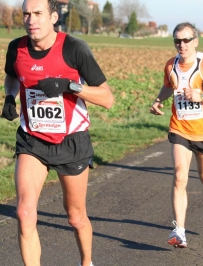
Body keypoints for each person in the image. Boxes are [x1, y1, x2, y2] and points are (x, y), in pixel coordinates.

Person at [1, 0, 114, 265]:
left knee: (75, 217)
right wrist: (9, 96)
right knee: (25, 212)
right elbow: (12, 76)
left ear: (54, 17)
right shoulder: (15, 48)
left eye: (38, 13)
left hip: (71, 142)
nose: (31, 20)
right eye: (26, 14)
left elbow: (107, 99)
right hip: (32, 140)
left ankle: (86, 261)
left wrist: (69, 86)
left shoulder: (74, 48)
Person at [150, 22, 203, 248]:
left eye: (187, 40)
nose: (182, 44)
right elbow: (169, 85)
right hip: (180, 128)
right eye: (178, 40)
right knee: (180, 176)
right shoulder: (171, 65)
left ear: (195, 41)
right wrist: (159, 100)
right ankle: (179, 231)